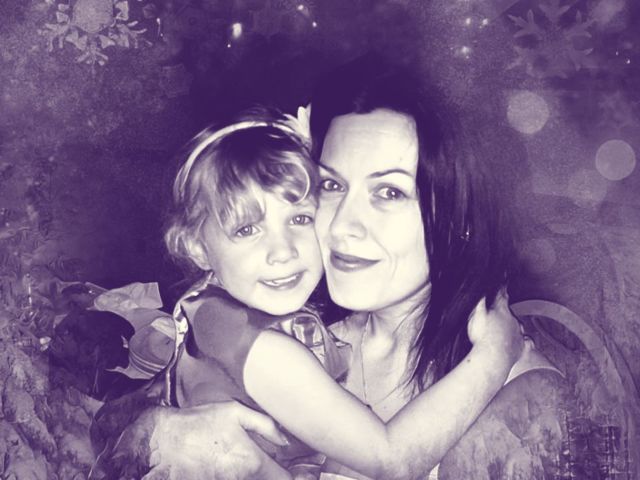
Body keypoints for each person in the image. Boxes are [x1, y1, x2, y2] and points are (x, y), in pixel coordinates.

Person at [92, 55, 568, 480]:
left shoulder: (519, 406)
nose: (341, 226)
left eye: (389, 192)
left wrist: (495, 354)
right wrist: (158, 431)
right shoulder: (305, 331)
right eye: (331, 187)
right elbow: (110, 426)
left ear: (460, 217)